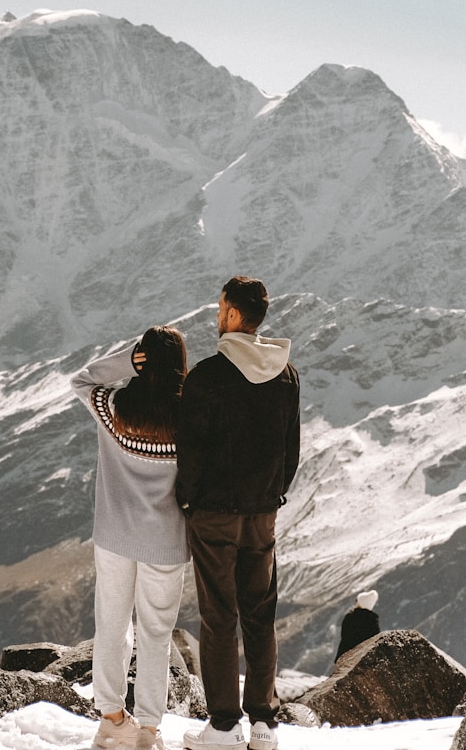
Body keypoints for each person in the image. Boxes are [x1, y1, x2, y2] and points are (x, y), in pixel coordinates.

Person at [176, 276, 300, 750]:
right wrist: (271, 495)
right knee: (259, 614)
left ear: (231, 315)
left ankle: (224, 726)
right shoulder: (285, 373)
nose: (216, 316)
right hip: (263, 513)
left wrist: (189, 500)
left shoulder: (207, 376)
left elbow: (191, 452)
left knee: (219, 616)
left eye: (219, 308)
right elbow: (292, 451)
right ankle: (264, 723)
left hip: (213, 515)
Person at [72, 326, 190, 750]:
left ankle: (110, 718)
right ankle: (149, 729)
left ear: (144, 363)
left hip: (114, 535)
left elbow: (82, 380)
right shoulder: (189, 416)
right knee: (156, 635)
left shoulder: (112, 408)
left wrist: (127, 359)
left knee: (111, 624)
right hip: (166, 541)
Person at [335, 590, 380, 660]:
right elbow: (375, 638)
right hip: (364, 655)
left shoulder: (350, 617)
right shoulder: (372, 620)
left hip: (345, 653)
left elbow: (344, 635)